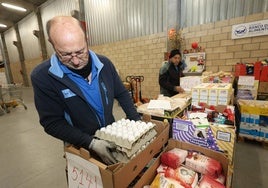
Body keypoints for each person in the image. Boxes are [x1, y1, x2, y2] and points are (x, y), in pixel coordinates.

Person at [31, 16, 141, 165]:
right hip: (78, 145)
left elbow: (121, 93)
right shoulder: (43, 77)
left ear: (87, 39)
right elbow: (52, 123)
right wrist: (91, 143)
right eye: (66, 54)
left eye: (80, 51)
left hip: (112, 137)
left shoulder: (104, 64)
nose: (76, 61)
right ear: (52, 43)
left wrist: (137, 122)